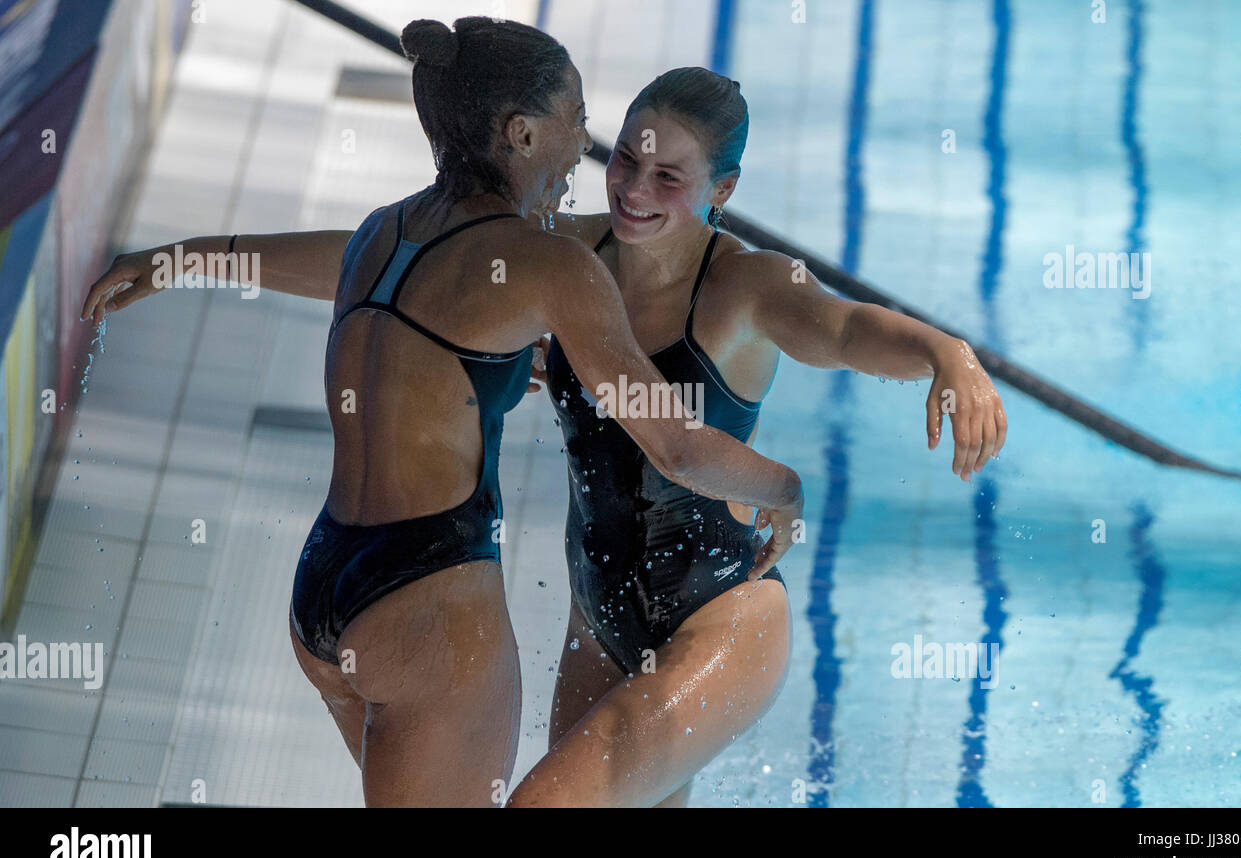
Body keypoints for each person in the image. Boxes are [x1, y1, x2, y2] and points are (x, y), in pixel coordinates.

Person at [80, 24, 802, 807]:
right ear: (522, 132)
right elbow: (675, 446)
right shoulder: (553, 262)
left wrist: (181, 256)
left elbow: (338, 265)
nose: (586, 145)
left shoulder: (386, 230)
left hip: (327, 592)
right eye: (577, 117)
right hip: (426, 603)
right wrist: (784, 489)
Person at [504, 68, 1007, 807]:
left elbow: (844, 328)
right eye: (626, 161)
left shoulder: (744, 286)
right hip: (598, 612)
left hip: (722, 619)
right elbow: (440, 262)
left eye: (668, 176)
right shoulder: (574, 257)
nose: (634, 190)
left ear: (723, 190)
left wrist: (947, 353)